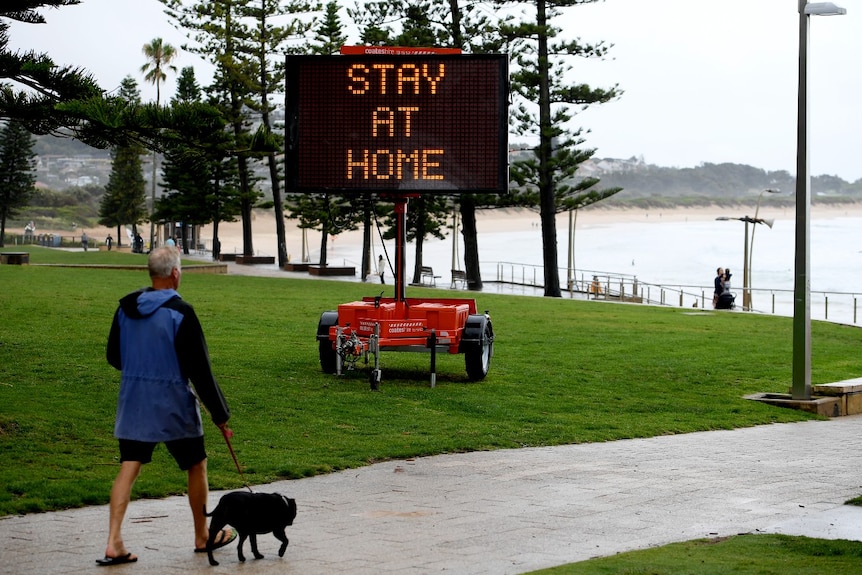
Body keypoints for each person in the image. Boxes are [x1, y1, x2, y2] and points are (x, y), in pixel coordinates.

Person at [97, 247, 235, 566]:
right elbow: (200, 370)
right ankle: (203, 536)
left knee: (129, 465)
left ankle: (113, 541)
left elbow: (113, 357)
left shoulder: (125, 308)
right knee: (196, 464)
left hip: (134, 401)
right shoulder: (181, 311)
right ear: (175, 273)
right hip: (172, 402)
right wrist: (220, 414)